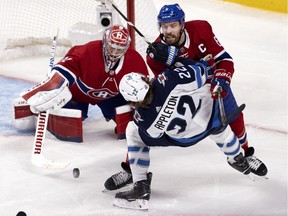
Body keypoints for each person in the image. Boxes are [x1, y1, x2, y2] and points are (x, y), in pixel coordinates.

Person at [104, 3, 267, 188]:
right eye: (164, 27)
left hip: (214, 83)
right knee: (139, 130)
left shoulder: (201, 29)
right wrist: (170, 62)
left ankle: (245, 154)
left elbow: (225, 60)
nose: (168, 31)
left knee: (234, 115)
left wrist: (221, 80)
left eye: (173, 25)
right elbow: (169, 86)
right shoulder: (155, 54)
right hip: (188, 94)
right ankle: (131, 171)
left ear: (182, 24)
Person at [113, 58, 253, 210]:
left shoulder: (144, 119)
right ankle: (237, 158)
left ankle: (140, 186)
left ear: (131, 101)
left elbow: (155, 136)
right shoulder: (169, 79)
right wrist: (182, 62)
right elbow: (203, 70)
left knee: (133, 131)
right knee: (220, 130)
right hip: (211, 117)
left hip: (186, 138)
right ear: (145, 79)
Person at [18, 24, 149, 142]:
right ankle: (35, 110)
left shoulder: (135, 60)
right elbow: (67, 67)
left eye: (119, 49)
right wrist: (51, 85)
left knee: (131, 127)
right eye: (111, 47)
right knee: (68, 131)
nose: (114, 53)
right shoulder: (87, 51)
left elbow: (145, 88)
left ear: (126, 47)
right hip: (77, 95)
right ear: (104, 41)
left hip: (111, 97)